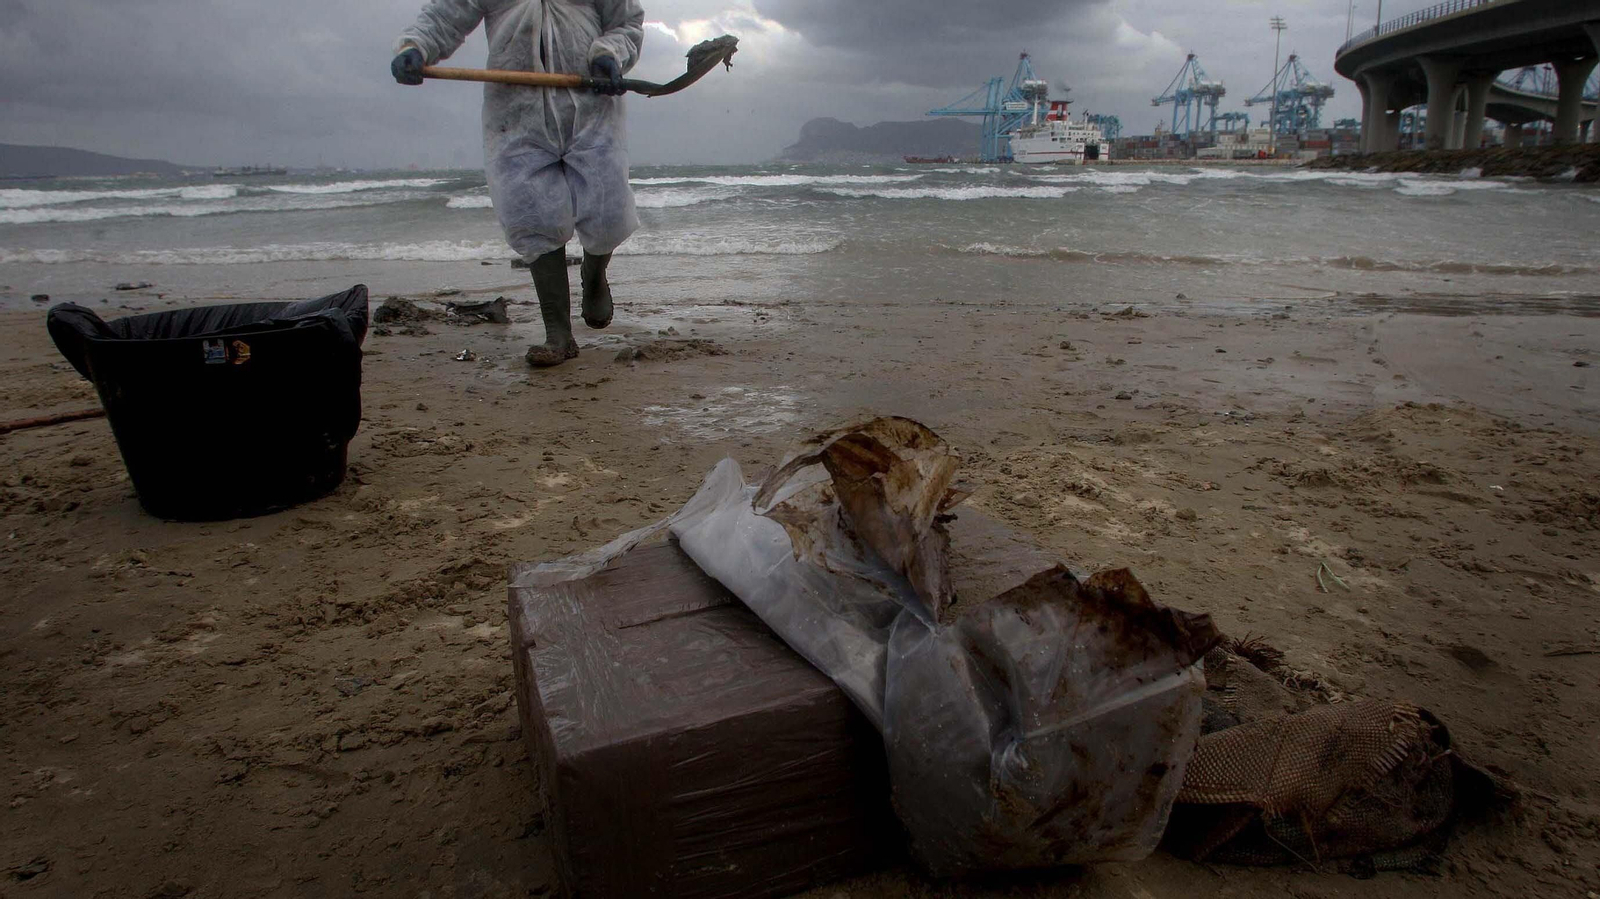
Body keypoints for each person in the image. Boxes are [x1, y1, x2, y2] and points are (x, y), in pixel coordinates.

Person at [392, 0, 645, 367]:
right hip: (515, 109)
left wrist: (610, 53)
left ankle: (594, 274)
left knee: (608, 206)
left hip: (591, 103)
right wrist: (415, 46)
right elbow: (447, 14)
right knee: (530, 211)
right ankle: (558, 334)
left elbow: (626, 22)